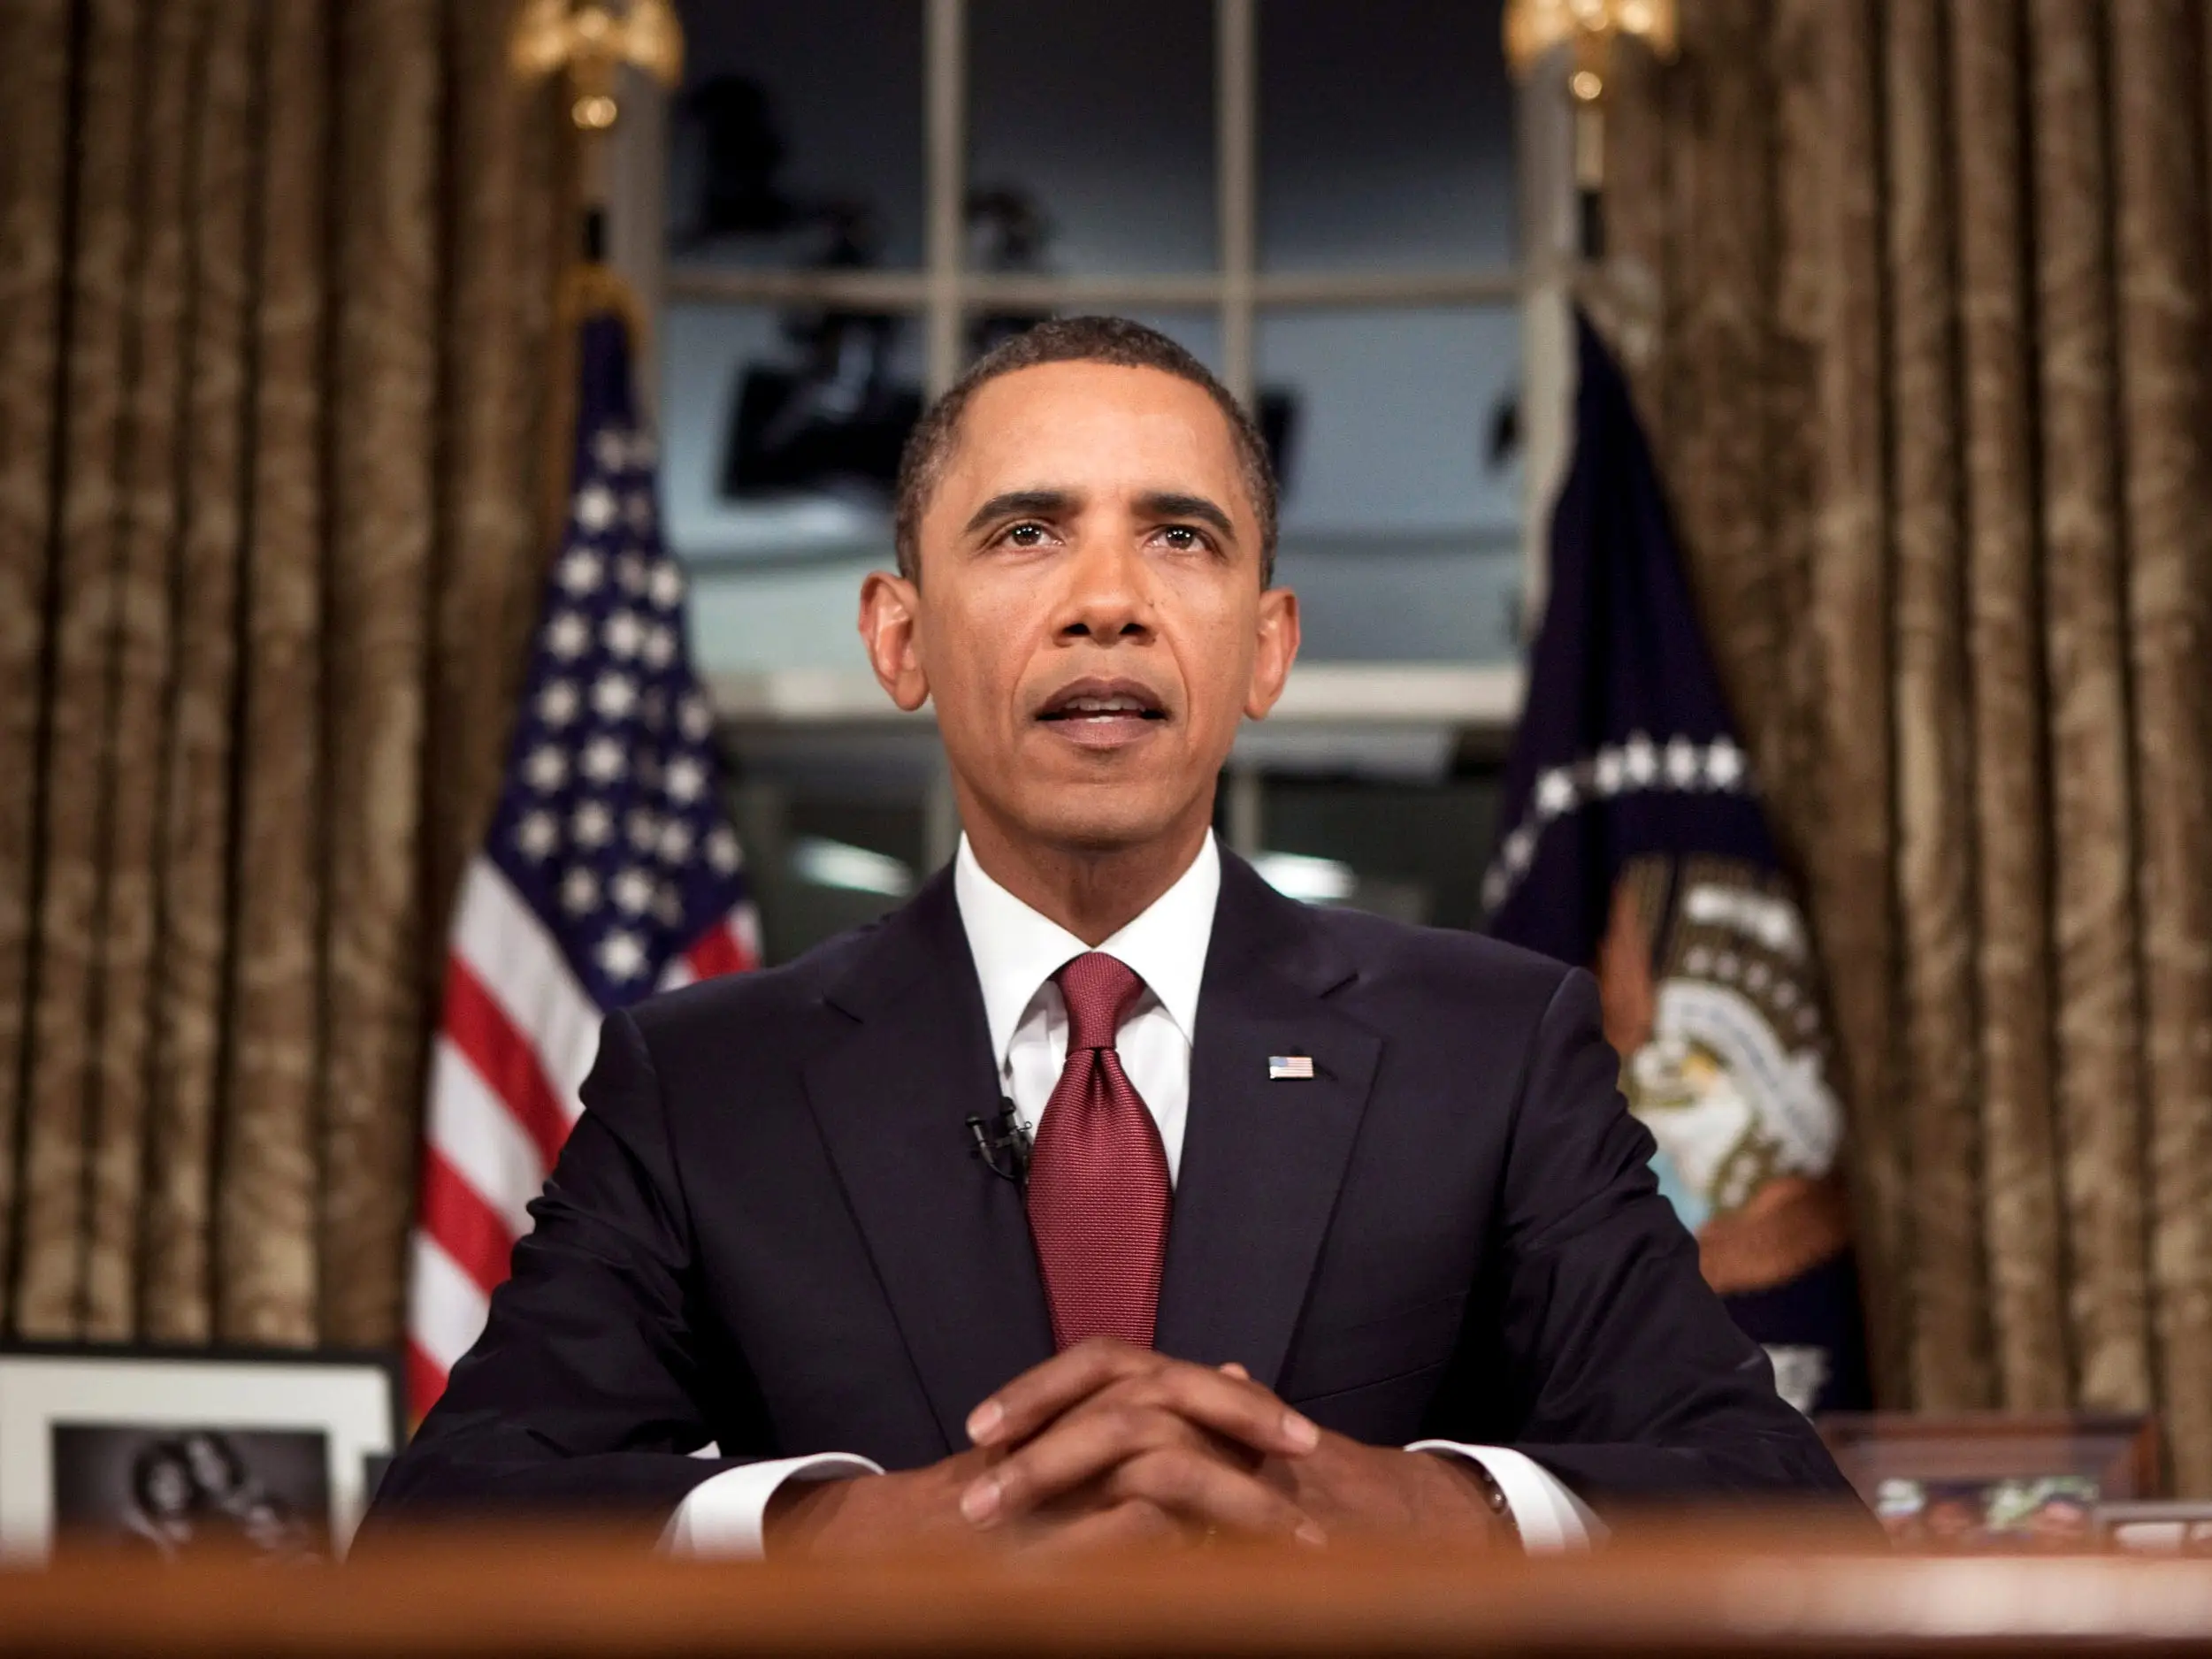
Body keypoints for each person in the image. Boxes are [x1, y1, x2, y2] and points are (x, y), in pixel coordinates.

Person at [368, 316, 1859, 1556]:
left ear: (1265, 647)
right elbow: (446, 1524)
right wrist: (836, 1532)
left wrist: (1431, 1507)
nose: (1107, 604)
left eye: (1179, 537)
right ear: (899, 637)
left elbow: (1773, 1500)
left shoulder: (1491, 1050)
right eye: (1027, 533)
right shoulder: (707, 1085)